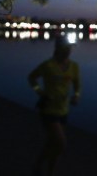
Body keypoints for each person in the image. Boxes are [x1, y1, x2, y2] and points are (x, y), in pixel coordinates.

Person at [28, 39, 81, 176]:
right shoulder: (48, 65)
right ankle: (39, 165)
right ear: (58, 49)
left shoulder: (74, 66)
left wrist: (76, 95)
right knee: (61, 143)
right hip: (48, 110)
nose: (69, 51)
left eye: (70, 48)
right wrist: (40, 92)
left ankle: (46, 170)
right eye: (67, 48)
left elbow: (77, 84)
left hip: (63, 110)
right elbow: (31, 78)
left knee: (52, 143)